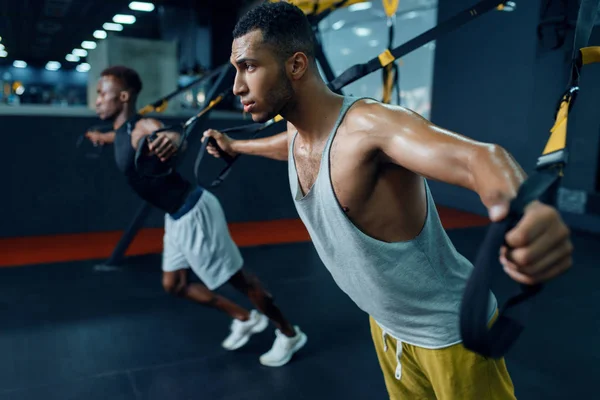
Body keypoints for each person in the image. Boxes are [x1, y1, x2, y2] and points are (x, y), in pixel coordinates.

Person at [202, 2, 574, 398]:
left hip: (449, 334)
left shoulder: (371, 128)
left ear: (295, 65)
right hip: (386, 326)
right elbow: (286, 144)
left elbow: (478, 159)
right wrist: (237, 146)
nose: (238, 86)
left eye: (249, 66)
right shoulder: (299, 134)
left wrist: (525, 212)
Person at [85, 65, 307, 367]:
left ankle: (289, 333)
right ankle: (245, 317)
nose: (97, 99)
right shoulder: (121, 131)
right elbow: (117, 138)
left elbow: (173, 137)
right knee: (174, 285)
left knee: (240, 281)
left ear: (123, 96)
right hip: (175, 217)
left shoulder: (142, 127)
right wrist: (99, 137)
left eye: (102, 94)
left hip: (194, 212)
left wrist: (176, 140)